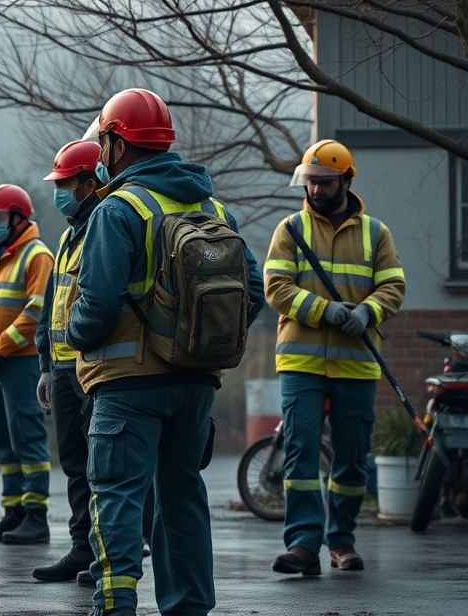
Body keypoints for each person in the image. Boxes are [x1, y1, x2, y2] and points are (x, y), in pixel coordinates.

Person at [66, 89, 264, 616]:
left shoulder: (119, 209)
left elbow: (99, 301)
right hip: (197, 383)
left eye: (105, 141)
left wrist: (75, 335)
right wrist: (201, 339)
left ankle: (115, 604)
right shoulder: (213, 206)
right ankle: (189, 608)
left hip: (127, 384)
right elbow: (255, 292)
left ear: (116, 142)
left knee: (117, 494)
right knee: (182, 495)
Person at [266, 139, 406, 576]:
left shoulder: (376, 233)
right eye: (310, 182)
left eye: (325, 182)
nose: (315, 190)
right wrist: (325, 311)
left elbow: (394, 286)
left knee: (351, 457)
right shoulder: (290, 230)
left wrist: (369, 311)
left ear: (346, 180)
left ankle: (341, 542)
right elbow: (276, 288)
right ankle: (304, 544)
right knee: (301, 453)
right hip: (302, 363)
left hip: (356, 363)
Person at [32, 140, 104, 582]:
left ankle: (108, 551)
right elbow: (50, 306)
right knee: (75, 465)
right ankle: (82, 548)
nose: (59, 191)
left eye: (64, 183)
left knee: (102, 466)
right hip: (62, 370)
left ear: (89, 182)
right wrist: (45, 364)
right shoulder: (67, 235)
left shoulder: (105, 225)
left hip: (94, 368)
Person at [0, 184, 55, 544]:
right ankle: (13, 512)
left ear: (19, 218)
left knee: (28, 439)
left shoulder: (37, 256)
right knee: (3, 443)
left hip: (21, 363)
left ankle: (36, 516)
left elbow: (35, 313)